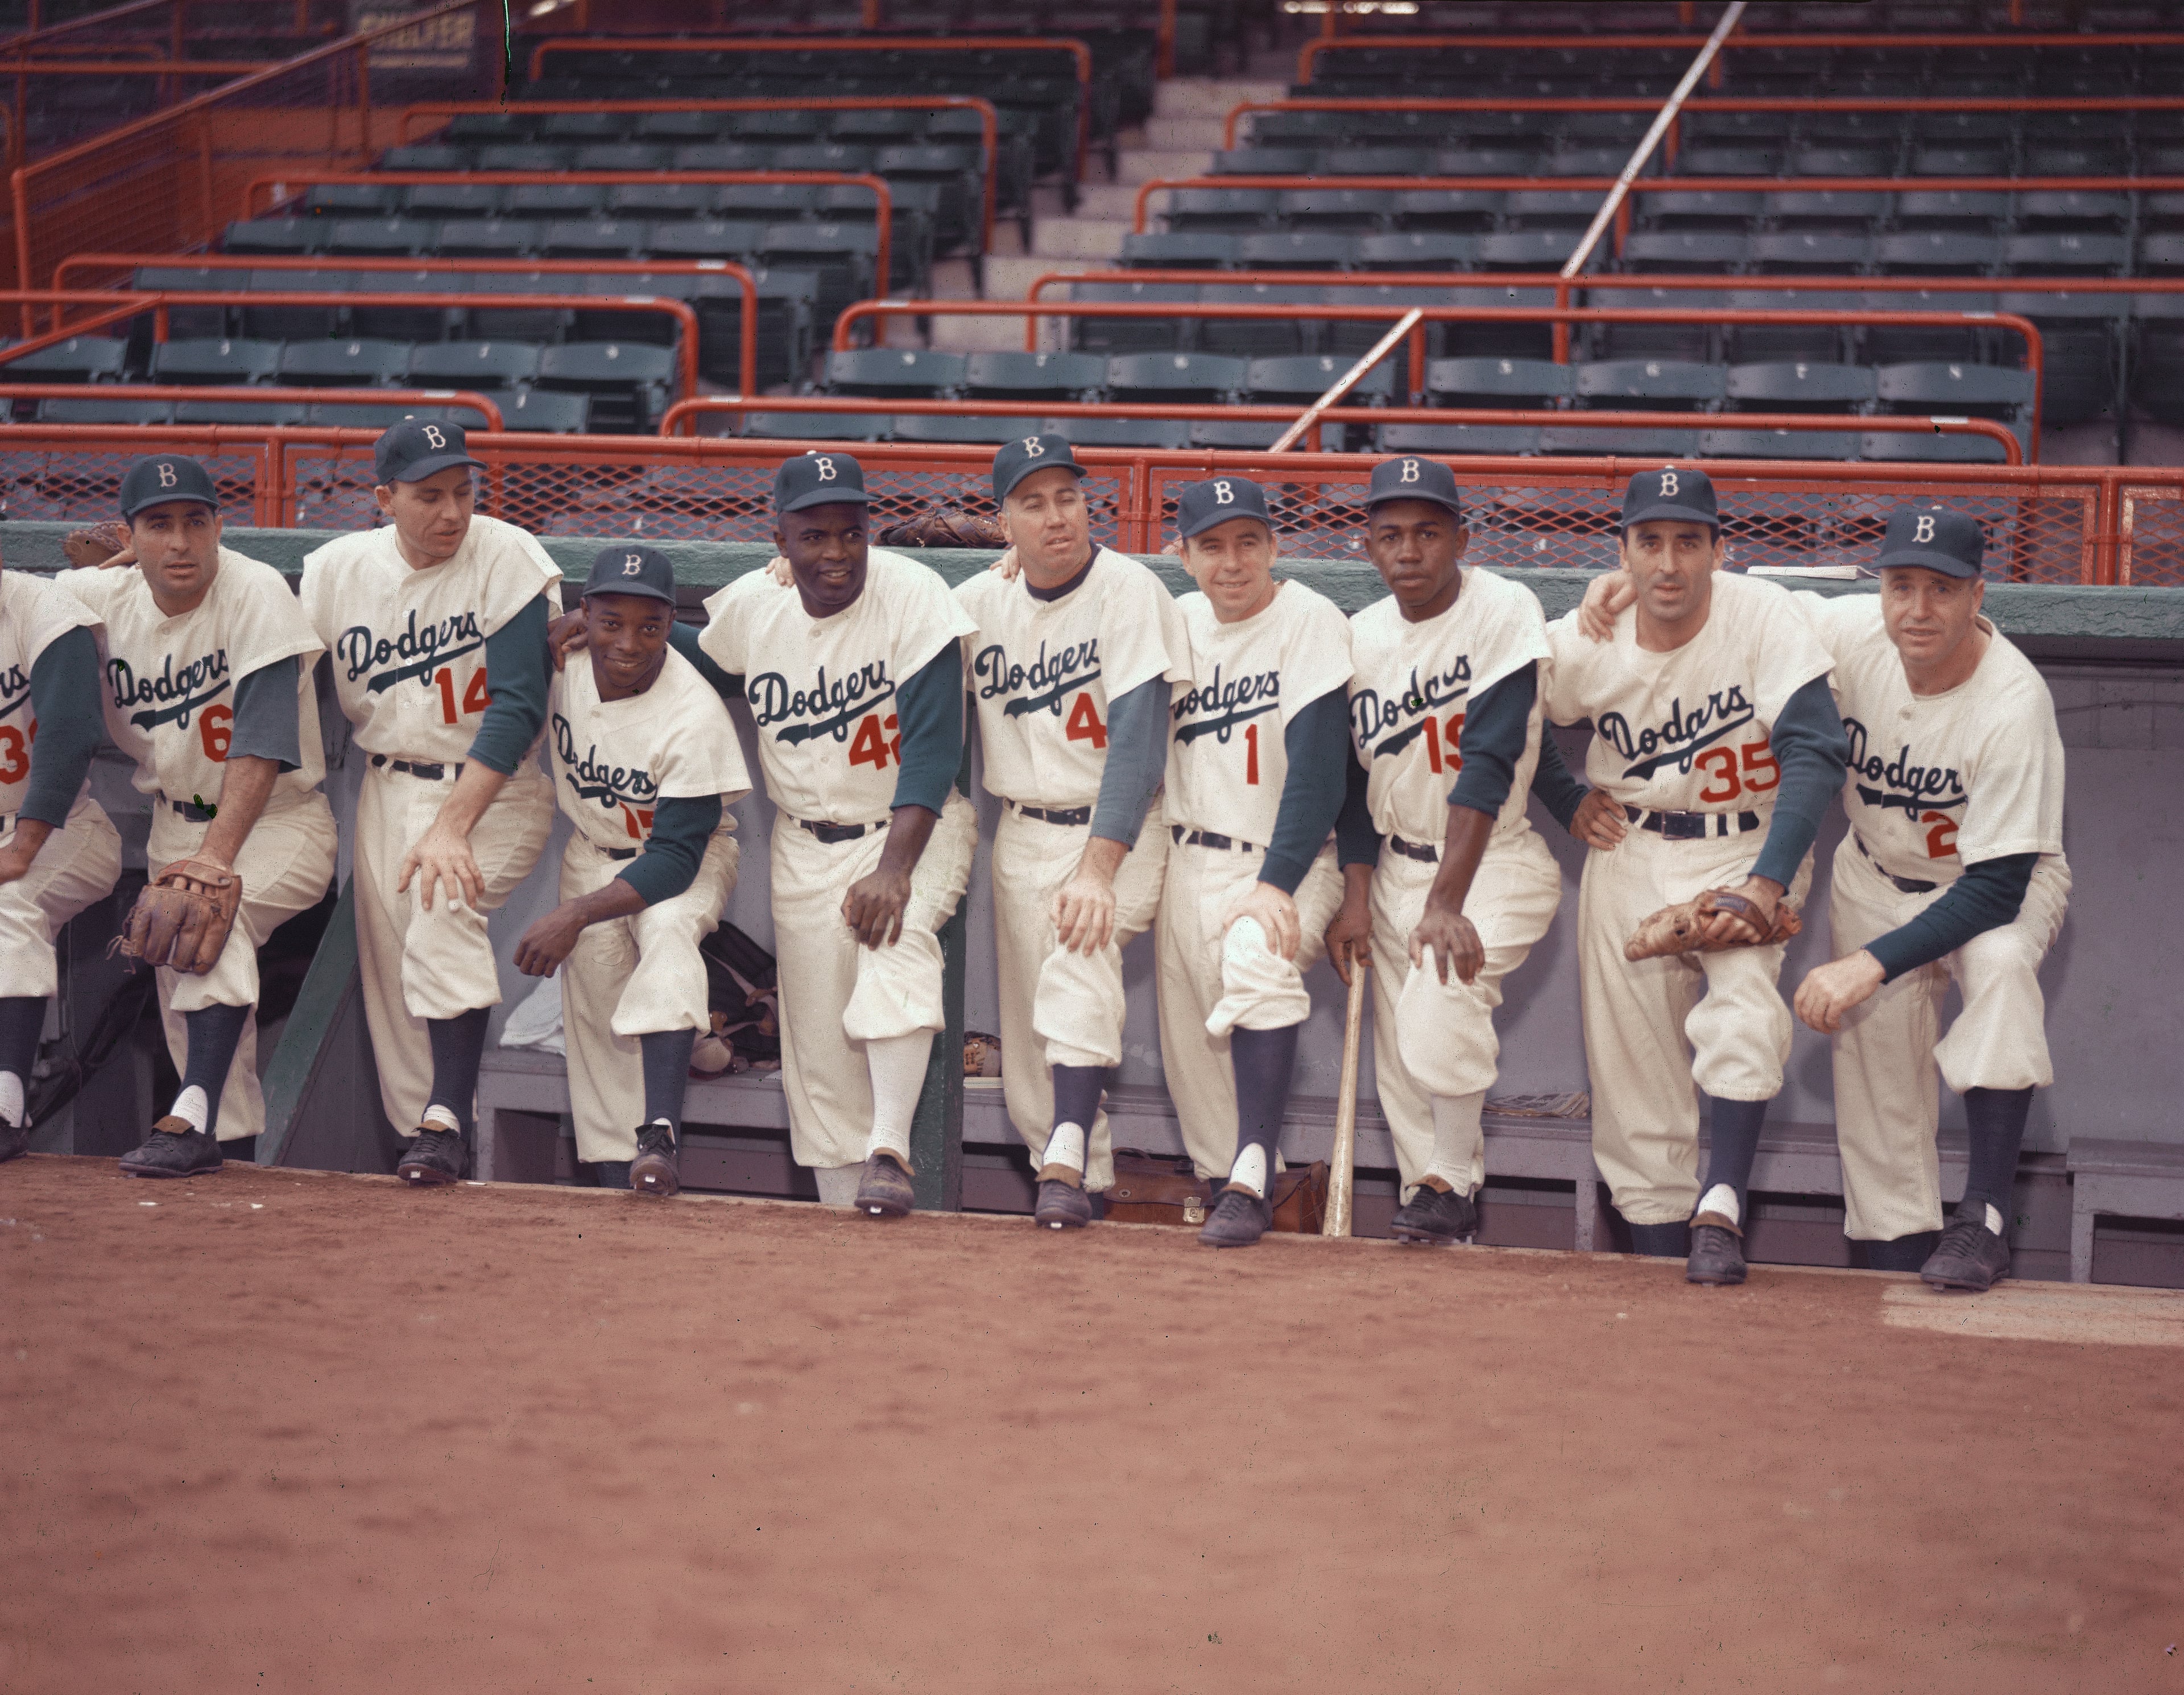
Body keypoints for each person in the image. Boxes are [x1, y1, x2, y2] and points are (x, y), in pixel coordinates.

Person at [1535, 466, 1847, 1285]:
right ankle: (1658, 1276)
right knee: (1634, 1077)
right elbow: (1504, 712)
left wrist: (1770, 881)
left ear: (1720, 549)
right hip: (1628, 846)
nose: (1668, 563)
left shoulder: (1762, 613)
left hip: (1748, 843)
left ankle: (1722, 1208)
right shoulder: (1588, 636)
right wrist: (1564, 796)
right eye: (1650, 543)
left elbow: (1814, 747)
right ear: (1624, 551)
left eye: (1687, 541)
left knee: (1744, 1007)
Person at [664, 452, 976, 1216]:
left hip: (910, 824)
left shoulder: (913, 595)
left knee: (895, 941)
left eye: (852, 532)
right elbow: (698, 658)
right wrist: (603, 621)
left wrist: (896, 867)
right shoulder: (755, 606)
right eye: (814, 536)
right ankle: (846, 1222)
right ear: (781, 539)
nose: (836, 553)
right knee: (820, 1053)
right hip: (804, 840)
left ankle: (889, 1149)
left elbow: (935, 748)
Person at [1786, 507, 2069, 1291]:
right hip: (1876, 872)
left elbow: (1995, 890)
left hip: (1995, 882)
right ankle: (1892, 1259)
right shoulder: (1852, 633)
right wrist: (1616, 590)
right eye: (1900, 584)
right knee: (1876, 1088)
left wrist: (1868, 964)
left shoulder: (2015, 701)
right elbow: (1741, 603)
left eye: (1940, 589)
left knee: (2003, 966)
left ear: (1978, 594)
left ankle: (1984, 1219)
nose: (1916, 609)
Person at [57, 454, 337, 1176]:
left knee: (217, 914)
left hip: (279, 819)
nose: (180, 543)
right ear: (131, 535)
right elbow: (29, 600)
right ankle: (221, 1149)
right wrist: (80, 568)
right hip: (174, 824)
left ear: (221, 526)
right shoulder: (95, 595)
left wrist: (213, 861)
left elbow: (264, 742)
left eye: (195, 522)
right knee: (193, 1010)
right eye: (158, 526)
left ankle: (189, 1119)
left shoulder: (255, 589)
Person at [299, 420, 560, 1186]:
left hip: (495, 786)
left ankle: (445, 1117)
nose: (452, 512)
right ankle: (429, 1144)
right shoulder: (336, 569)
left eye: (463, 491)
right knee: (394, 987)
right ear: (384, 498)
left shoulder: (505, 552)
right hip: (386, 784)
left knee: (444, 902)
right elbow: (266, 653)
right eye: (429, 496)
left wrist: (452, 826)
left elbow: (516, 709)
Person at [1322, 456, 1563, 1245]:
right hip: (1397, 864)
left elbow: (1492, 758)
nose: (1410, 551)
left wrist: (1446, 902)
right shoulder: (1360, 638)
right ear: (1367, 546)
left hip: (1492, 861)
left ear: (1462, 536)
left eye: (1429, 532)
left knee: (1443, 983)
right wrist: (1357, 896)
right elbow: (1354, 789)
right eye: (1390, 535)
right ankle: (1438, 1235)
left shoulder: (1504, 606)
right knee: (1403, 1074)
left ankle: (1453, 1180)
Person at [953, 435, 1189, 1228]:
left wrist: (1096, 868)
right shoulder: (982, 602)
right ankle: (1074, 1179)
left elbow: (1138, 747)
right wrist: (779, 578)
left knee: (1077, 955)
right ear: (1003, 525)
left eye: (1068, 497)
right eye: (1033, 502)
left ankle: (1065, 1151)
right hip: (1021, 828)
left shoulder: (1130, 589)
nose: (1057, 517)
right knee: (1028, 1044)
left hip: (1118, 826)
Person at [514, 546, 750, 1197]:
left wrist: (574, 913)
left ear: (672, 623)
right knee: (597, 1018)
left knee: (669, 928)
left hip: (686, 854)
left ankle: (662, 1133)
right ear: (584, 613)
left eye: (650, 625)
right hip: (593, 846)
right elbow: (493, 656)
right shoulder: (564, 663)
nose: (628, 642)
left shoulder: (692, 713)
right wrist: (540, 635)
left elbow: (675, 861)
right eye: (611, 620)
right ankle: (619, 1182)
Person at [1155, 476, 1354, 1249]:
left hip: (1290, 858)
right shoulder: (1172, 621)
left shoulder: (1310, 619)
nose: (1231, 563)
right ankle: (1226, 1184)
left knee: (1255, 963)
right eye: (1211, 547)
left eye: (1247, 543)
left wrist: (1275, 884)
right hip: (1188, 854)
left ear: (1275, 546)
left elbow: (1320, 772)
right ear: (1183, 555)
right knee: (1195, 1052)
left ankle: (1250, 1176)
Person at [0, 556, 120, 1163]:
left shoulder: (44, 611)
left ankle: (6, 1101)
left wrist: (22, 847)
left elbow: (71, 730)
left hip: (63, 826)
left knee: (8, 899)